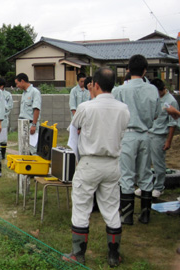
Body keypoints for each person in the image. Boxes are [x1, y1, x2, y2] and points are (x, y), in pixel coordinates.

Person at [64, 68, 130, 267]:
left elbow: (75, 129)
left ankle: (78, 253)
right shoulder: (123, 108)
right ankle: (113, 255)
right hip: (112, 163)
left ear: (95, 85)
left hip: (90, 162)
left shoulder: (86, 107)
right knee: (111, 208)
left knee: (82, 207)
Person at [114, 54, 160, 225]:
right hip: (146, 134)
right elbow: (156, 114)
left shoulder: (120, 90)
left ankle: (126, 216)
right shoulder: (152, 89)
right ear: (145, 70)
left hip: (127, 135)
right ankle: (146, 214)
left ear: (128, 70)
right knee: (145, 173)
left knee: (126, 174)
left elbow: (114, 113)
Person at [134, 79, 178, 198]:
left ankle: (159, 187)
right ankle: (145, 186)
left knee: (158, 163)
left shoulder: (171, 101)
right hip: (148, 132)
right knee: (145, 162)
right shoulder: (154, 99)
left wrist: (168, 140)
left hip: (159, 135)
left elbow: (173, 123)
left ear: (162, 89)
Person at [15, 73, 42, 155]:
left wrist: (34, 124)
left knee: (33, 149)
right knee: (24, 149)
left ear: (22, 81)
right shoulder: (24, 93)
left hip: (31, 124)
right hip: (23, 124)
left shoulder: (34, 92)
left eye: (17, 83)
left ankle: (34, 166)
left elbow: (36, 109)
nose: (17, 86)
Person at [0, 77, 13, 159]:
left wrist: (2, 113)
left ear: (1, 86)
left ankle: (2, 155)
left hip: (4, 119)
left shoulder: (7, 95)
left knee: (3, 137)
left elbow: (9, 107)